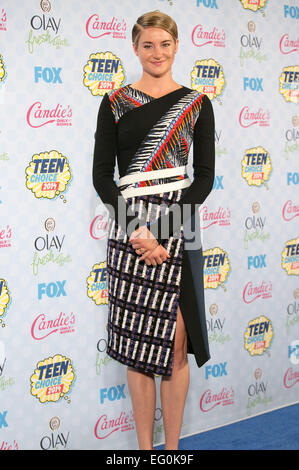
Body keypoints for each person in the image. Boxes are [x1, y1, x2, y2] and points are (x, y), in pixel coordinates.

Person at [92, 10, 215, 450]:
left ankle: (172, 450)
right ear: (135, 48)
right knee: (139, 347)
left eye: (165, 43)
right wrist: (138, 232)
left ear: (177, 46)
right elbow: (102, 176)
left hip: (181, 224)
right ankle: (146, 451)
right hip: (129, 231)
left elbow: (203, 179)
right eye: (148, 44)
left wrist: (161, 231)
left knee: (177, 342)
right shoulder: (114, 103)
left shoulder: (197, 103)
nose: (157, 52)